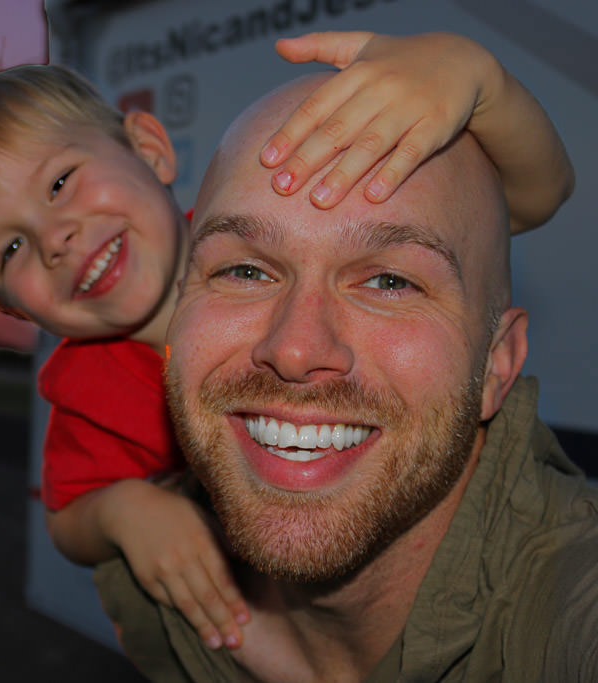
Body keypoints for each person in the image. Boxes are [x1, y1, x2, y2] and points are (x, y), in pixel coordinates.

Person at [0, 32, 574, 653]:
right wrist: (126, 510)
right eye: (12, 247)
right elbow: (69, 517)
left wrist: (474, 77)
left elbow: (534, 196)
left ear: (150, 148)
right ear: (8, 303)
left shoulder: (270, 208)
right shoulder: (86, 392)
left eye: (62, 181)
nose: (56, 237)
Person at [94, 71, 596, 681]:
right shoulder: (151, 590)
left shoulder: (569, 609)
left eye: (390, 281)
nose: (296, 349)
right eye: (246, 271)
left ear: (498, 365)